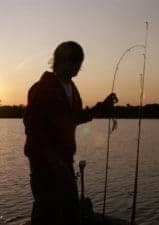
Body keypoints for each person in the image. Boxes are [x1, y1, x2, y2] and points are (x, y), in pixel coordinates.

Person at [23, 41, 118, 225]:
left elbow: (77, 117)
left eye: (79, 62)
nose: (77, 67)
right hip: (44, 167)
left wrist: (102, 107)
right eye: (74, 61)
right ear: (60, 60)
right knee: (49, 216)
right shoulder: (41, 88)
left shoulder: (72, 89)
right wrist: (52, 159)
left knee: (71, 214)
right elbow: (32, 126)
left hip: (65, 163)